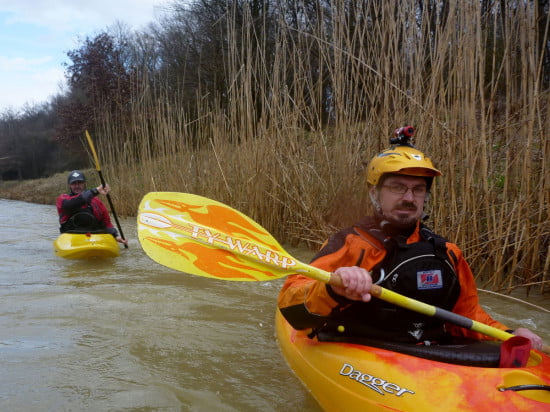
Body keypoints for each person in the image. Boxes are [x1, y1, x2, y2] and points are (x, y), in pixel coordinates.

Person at [277, 126, 543, 351]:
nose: (408, 197)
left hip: (425, 358)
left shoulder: (447, 253)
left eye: (418, 190)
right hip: (357, 349)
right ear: (374, 193)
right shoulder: (348, 245)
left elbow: (466, 316)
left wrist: (509, 334)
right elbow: (291, 301)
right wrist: (332, 288)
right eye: (397, 187)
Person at [56, 170, 128, 245]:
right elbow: (72, 203)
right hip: (70, 236)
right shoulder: (63, 199)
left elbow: (106, 222)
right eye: (74, 183)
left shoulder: (96, 201)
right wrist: (96, 190)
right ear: (69, 185)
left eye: (80, 183)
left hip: (94, 236)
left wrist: (115, 236)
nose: (77, 186)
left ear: (84, 184)